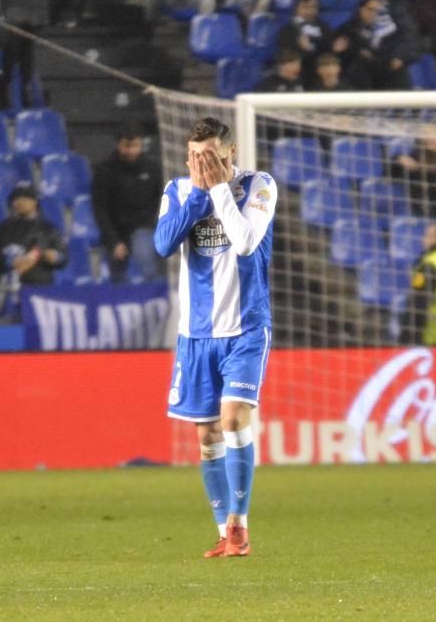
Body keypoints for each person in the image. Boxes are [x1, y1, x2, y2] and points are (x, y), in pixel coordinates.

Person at [153, 117, 277, 558]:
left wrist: (220, 189)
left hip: (245, 327)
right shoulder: (178, 190)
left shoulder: (259, 186)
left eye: (209, 156)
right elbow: (164, 245)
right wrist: (199, 194)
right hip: (196, 335)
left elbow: (244, 241)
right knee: (207, 438)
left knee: (234, 420)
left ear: (231, 153)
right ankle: (223, 532)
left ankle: (240, 526)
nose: (200, 164)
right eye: (194, 156)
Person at [91, 125, 164, 283]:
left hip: (143, 226)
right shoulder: (104, 170)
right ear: (118, 144)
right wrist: (113, 241)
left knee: (147, 264)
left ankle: (151, 302)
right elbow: (100, 208)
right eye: (126, 145)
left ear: (141, 145)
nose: (130, 150)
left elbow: (161, 200)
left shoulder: (153, 168)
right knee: (117, 277)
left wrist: (153, 224)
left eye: (135, 146)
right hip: (115, 228)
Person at [0, 184, 68, 285]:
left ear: (35, 202)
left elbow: (63, 258)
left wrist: (56, 257)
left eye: (26, 198)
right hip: (8, 284)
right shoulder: (1, 229)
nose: (20, 202)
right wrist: (9, 262)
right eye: (17, 198)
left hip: (40, 285)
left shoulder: (49, 229)